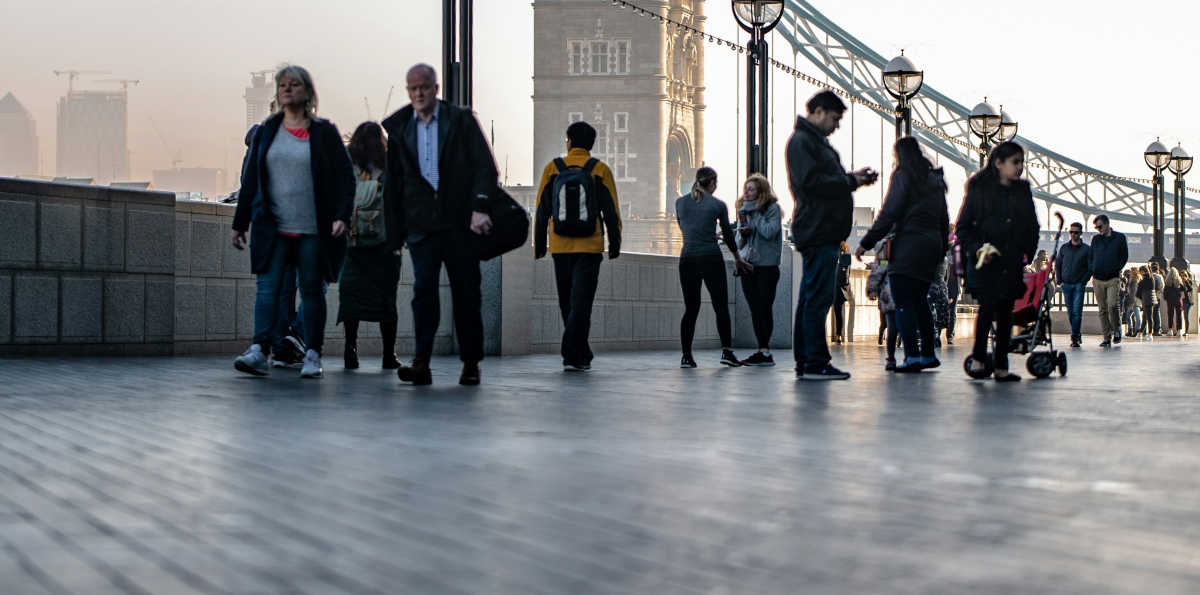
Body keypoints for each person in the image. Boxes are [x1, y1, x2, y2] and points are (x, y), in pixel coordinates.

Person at [232, 65, 356, 379]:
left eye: (294, 84)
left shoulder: (324, 132)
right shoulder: (265, 132)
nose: (287, 89)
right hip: (273, 229)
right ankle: (259, 350)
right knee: (268, 290)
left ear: (308, 92)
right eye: (282, 85)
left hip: (313, 230)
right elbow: (250, 182)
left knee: (312, 291)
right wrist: (239, 223)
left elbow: (346, 178)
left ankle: (312, 353)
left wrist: (342, 216)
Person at [383, 64, 499, 386]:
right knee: (423, 293)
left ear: (436, 88)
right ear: (408, 91)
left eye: (424, 87)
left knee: (466, 293)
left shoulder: (460, 120)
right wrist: (394, 234)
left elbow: (485, 168)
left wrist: (479, 208)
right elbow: (393, 185)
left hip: (460, 225)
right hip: (422, 227)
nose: (418, 93)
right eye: (412, 88)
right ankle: (421, 361)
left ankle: (471, 363)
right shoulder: (401, 128)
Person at [786, 90, 879, 380]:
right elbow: (812, 183)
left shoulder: (812, 142)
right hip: (818, 229)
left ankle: (808, 362)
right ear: (819, 111)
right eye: (835, 118)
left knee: (812, 298)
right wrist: (851, 180)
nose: (837, 126)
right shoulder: (803, 142)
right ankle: (813, 363)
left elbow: (822, 180)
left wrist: (853, 178)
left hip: (821, 229)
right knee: (818, 299)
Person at [533, 121, 622, 372]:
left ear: (568, 141)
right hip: (590, 246)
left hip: (559, 247)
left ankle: (579, 352)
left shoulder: (553, 168)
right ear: (591, 144)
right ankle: (574, 353)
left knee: (568, 303)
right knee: (581, 303)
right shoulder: (600, 169)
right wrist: (614, 244)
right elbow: (611, 210)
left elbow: (541, 210)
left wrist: (539, 245)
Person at [855, 136, 950, 373]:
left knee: (903, 303)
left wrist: (866, 242)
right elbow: (944, 220)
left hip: (908, 245)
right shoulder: (934, 181)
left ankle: (912, 357)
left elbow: (889, 212)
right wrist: (941, 250)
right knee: (920, 302)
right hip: (931, 248)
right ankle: (928, 354)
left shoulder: (903, 175)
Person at [955, 141, 1040, 382]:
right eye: (1015, 162)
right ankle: (980, 359)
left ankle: (1001, 366)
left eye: (1022, 162)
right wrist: (978, 249)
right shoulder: (980, 188)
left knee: (1005, 315)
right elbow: (963, 227)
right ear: (999, 163)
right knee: (988, 309)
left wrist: (1027, 254)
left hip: (1011, 261)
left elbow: (1032, 227)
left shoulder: (1022, 190)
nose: (1020, 168)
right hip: (986, 262)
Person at [337, 121, 402, 370]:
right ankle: (388, 354)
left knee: (351, 296)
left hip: (353, 244)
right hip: (384, 244)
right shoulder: (388, 166)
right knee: (386, 298)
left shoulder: (347, 166)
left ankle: (350, 349)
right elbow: (398, 202)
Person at [675, 167, 753, 368]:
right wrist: (737, 257)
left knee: (691, 309)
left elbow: (686, 228)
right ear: (712, 183)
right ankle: (727, 352)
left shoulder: (680, 202)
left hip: (688, 259)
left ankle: (686, 356)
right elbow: (728, 234)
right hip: (710, 258)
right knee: (720, 307)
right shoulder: (718, 205)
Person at [734, 173, 783, 366]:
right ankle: (763, 351)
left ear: (761, 192)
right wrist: (744, 233)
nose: (746, 192)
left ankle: (763, 351)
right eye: (745, 188)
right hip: (748, 266)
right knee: (755, 309)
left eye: (751, 189)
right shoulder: (743, 210)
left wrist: (757, 214)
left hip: (767, 267)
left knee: (764, 308)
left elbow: (770, 232)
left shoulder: (772, 209)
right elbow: (739, 243)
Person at [1088, 214, 1128, 347]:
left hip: (1113, 278)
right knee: (1102, 309)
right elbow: (1090, 256)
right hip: (1097, 278)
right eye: (1096, 227)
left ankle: (1117, 330)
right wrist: (1092, 268)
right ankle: (1106, 336)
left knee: (1112, 304)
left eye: (1099, 226)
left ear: (1106, 224)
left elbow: (1124, 256)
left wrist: (1116, 268)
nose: (1098, 229)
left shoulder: (1119, 238)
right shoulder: (1096, 239)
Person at [1055, 221, 1091, 347]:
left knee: (1077, 312)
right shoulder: (1064, 248)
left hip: (1078, 285)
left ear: (1081, 233)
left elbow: (1090, 267)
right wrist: (1060, 281)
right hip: (1066, 285)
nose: (1073, 234)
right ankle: (1077, 334)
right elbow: (1058, 264)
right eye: (1071, 232)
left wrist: (1083, 281)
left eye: (1076, 232)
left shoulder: (1087, 249)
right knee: (1071, 312)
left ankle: (1074, 337)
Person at [866, 257, 898, 370]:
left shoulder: (887, 250)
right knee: (899, 328)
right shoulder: (889, 251)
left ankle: (892, 359)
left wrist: (872, 288)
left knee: (893, 329)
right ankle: (908, 357)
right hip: (896, 296)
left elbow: (878, 271)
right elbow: (879, 271)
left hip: (890, 295)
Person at [831, 242, 853, 344]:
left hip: (834, 286)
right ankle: (838, 336)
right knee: (838, 312)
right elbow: (849, 272)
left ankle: (838, 336)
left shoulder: (834, 255)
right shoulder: (847, 256)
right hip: (842, 286)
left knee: (834, 311)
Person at [1137, 265, 1157, 341]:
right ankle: (1140, 332)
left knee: (1148, 317)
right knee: (1145, 316)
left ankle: (1149, 333)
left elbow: (1139, 289)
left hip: (1147, 298)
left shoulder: (1145, 279)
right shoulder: (1151, 278)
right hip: (1151, 298)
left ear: (1142, 271)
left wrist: (1139, 296)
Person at [1163, 266, 1185, 337]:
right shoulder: (1178, 281)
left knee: (1170, 315)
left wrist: (1166, 298)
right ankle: (1179, 330)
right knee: (1179, 315)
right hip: (1178, 300)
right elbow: (1184, 289)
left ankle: (1170, 330)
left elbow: (1165, 292)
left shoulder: (1167, 283)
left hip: (1170, 300)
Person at [1123, 267, 1141, 338]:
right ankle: (1131, 330)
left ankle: (1137, 330)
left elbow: (1133, 292)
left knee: (1137, 316)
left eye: (1131, 271)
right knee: (1128, 316)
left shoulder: (1135, 281)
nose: (1130, 273)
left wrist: (1132, 303)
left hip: (1135, 301)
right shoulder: (1132, 281)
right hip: (1133, 300)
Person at [1181, 269, 1194, 338]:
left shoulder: (1188, 282)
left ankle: (1186, 331)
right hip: (1180, 300)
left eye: (1184, 276)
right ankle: (1179, 329)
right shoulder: (1179, 283)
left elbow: (1190, 289)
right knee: (1180, 316)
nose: (1182, 277)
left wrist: (1186, 281)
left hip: (1187, 301)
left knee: (1186, 316)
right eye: (1181, 276)